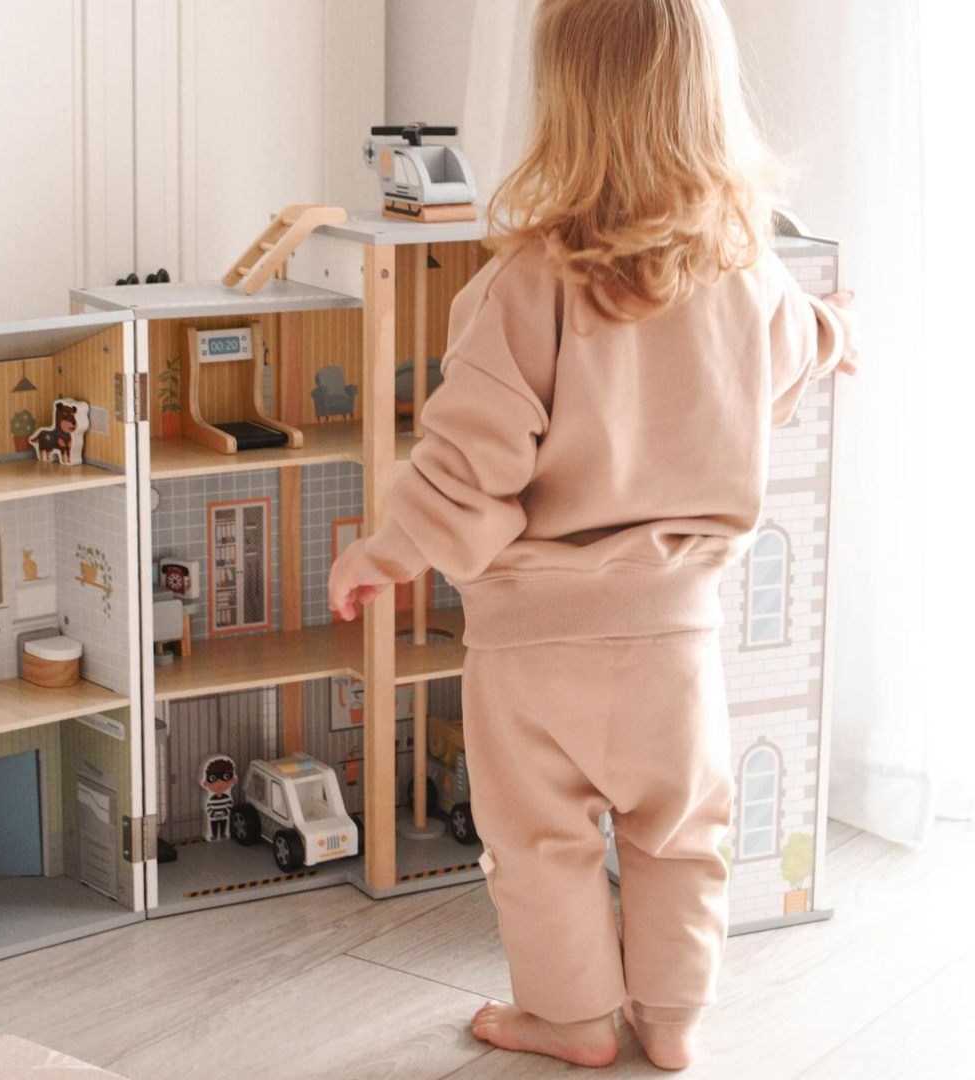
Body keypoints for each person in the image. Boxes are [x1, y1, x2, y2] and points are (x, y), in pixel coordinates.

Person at [329, 0, 858, 1069]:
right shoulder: (748, 279)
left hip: (534, 647)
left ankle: (570, 1022)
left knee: (540, 845)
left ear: (562, 108)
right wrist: (838, 326)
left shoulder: (523, 288)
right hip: (674, 641)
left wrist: (386, 550)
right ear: (708, 101)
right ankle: (672, 1020)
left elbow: (469, 458)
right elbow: (793, 352)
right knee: (680, 836)